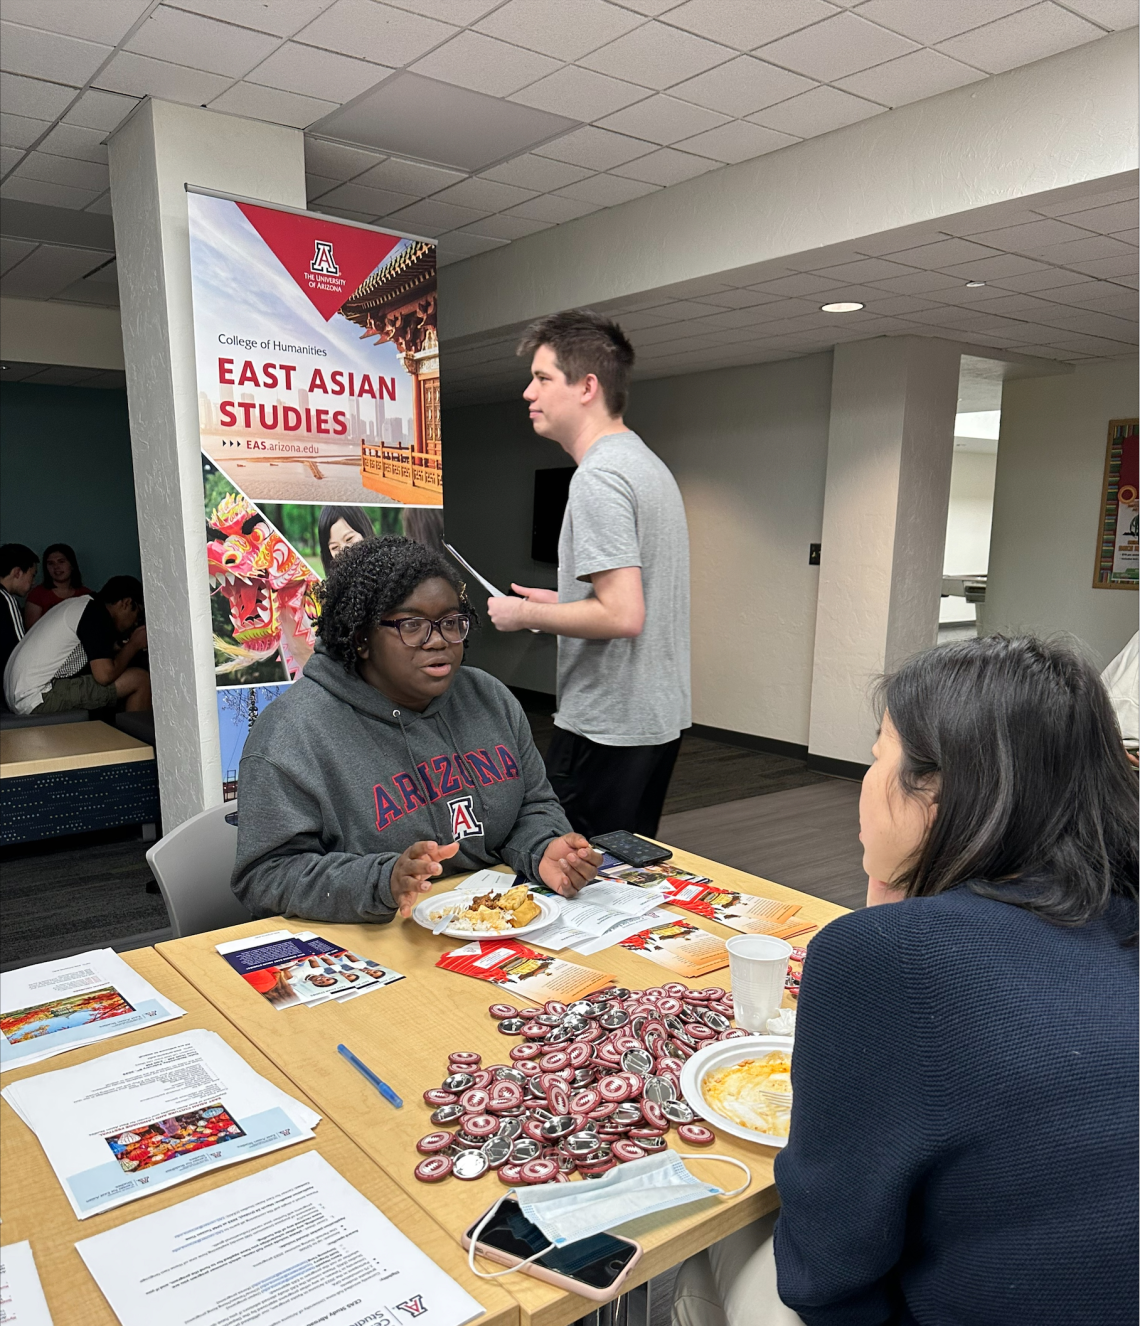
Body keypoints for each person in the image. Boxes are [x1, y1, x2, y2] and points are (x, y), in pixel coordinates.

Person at [671, 635, 1138, 1326]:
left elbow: (825, 1270)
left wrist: (885, 925)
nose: (865, 777)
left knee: (719, 1228)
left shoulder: (888, 958)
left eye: (875, 753)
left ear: (940, 786)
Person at [232, 536, 602, 924]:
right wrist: (381, 881)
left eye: (450, 623)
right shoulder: (293, 733)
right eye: (413, 625)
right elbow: (265, 876)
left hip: (490, 927)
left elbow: (532, 805)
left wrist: (543, 849)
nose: (438, 640)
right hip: (376, 938)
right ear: (361, 638)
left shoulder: (489, 699)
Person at [485, 309, 691, 841]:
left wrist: (522, 614)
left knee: (567, 867)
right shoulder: (646, 465)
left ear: (587, 387)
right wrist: (558, 603)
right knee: (623, 873)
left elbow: (623, 615)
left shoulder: (599, 477)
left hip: (608, 723)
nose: (528, 393)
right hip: (654, 718)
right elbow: (625, 597)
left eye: (543, 378)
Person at [4, 575, 151, 716]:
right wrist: (133, 645)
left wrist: (120, 647)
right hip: (37, 697)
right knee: (140, 679)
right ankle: (138, 742)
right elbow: (104, 675)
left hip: (20, 695)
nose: (135, 623)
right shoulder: (96, 615)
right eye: (137, 615)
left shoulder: (82, 605)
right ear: (126, 603)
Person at [23, 542, 93, 628]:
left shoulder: (86, 594)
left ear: (72, 565)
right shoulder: (37, 595)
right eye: (51, 563)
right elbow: (32, 631)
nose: (56, 567)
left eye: (61, 562)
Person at [0, 543, 37, 691]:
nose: (33, 582)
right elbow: (21, 650)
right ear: (17, 572)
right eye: (32, 575)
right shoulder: (6, 600)